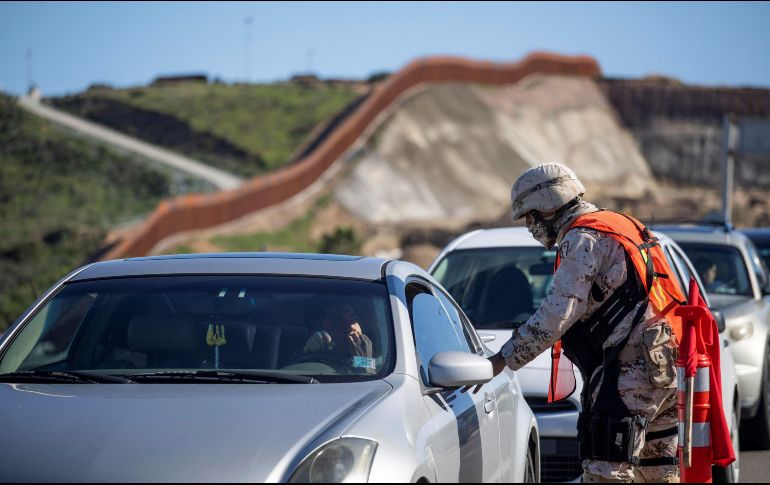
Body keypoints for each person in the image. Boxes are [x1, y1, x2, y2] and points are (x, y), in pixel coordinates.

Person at [485, 162, 686, 483]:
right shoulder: (621, 224)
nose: (530, 226)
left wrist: (503, 359)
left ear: (548, 207)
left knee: (606, 471)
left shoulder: (583, 239)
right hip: (666, 370)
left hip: (628, 375)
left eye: (530, 217)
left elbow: (556, 316)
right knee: (657, 471)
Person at [302, 301, 374, 362]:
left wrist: (363, 360)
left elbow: (369, 372)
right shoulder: (310, 355)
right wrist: (307, 355)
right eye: (338, 321)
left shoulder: (380, 356)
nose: (351, 326)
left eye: (353, 318)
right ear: (319, 329)